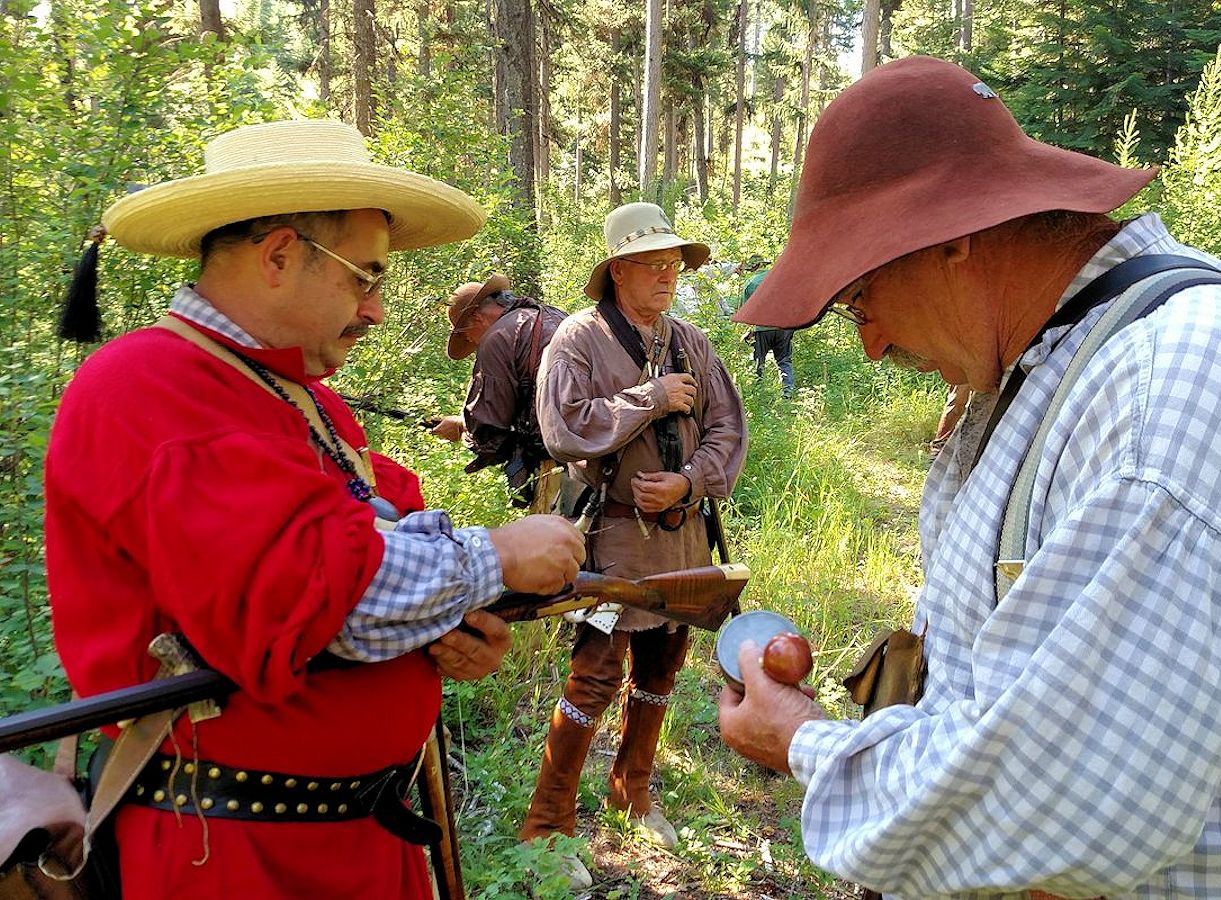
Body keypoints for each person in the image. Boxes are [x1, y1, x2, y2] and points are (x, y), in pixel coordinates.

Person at [721, 56, 1221, 897]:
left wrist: (802, 742)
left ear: (951, 239)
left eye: (860, 297)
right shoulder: (1060, 368)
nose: (869, 344)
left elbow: (1067, 809)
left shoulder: (1174, 389)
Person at [44, 119, 586, 899]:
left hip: (347, 845)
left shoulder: (297, 396)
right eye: (365, 278)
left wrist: (446, 624)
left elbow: (372, 540)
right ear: (278, 256)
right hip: (230, 859)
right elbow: (329, 596)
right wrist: (493, 557)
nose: (376, 311)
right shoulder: (153, 387)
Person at [522, 201, 747, 889]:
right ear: (618, 270)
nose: (668, 276)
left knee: (662, 668)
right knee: (594, 673)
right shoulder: (579, 341)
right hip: (610, 534)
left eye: (674, 264)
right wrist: (648, 399)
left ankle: (632, 791)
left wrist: (686, 482)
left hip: (681, 540)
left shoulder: (689, 342)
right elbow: (564, 429)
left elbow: (727, 430)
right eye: (653, 264)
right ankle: (546, 826)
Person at [431, 274, 568, 513]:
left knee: (557, 545)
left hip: (558, 467)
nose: (469, 341)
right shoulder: (554, 315)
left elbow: (489, 432)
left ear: (476, 317)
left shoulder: (497, 338)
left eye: (464, 334)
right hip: (599, 455)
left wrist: (463, 429)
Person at [737, 255, 795, 396]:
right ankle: (787, 391)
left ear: (753, 267)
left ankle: (758, 393)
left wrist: (748, 331)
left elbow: (745, 312)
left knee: (758, 361)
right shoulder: (781, 278)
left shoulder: (750, 283)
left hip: (762, 329)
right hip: (784, 326)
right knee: (784, 360)